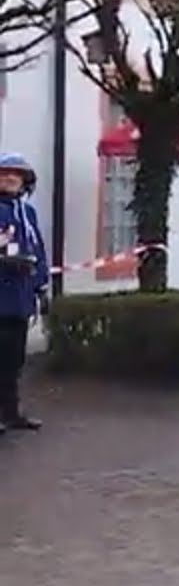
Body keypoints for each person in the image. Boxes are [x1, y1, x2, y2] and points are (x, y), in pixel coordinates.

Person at [0, 153, 48, 434]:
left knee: (14, 359)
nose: (9, 179)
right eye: (4, 174)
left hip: (20, 296)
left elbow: (38, 249)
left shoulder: (27, 212)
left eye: (15, 175)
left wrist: (41, 287)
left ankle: (11, 412)